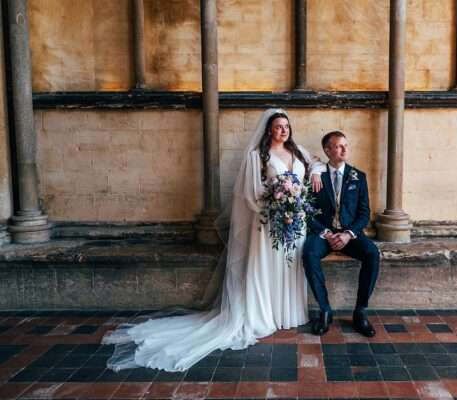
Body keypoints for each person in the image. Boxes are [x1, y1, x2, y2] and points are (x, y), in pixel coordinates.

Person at [102, 109, 324, 372]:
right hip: (268, 223)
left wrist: (316, 173)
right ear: (268, 130)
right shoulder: (258, 156)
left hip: (295, 223)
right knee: (267, 268)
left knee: (289, 268)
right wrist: (277, 205)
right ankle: (266, 315)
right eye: (278, 126)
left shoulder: (298, 151)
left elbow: (318, 162)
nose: (283, 130)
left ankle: (289, 313)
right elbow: (251, 193)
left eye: (286, 126)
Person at [302, 130, 380, 337]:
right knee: (309, 253)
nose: (344, 149)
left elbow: (364, 213)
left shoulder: (358, 176)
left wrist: (348, 234)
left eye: (346, 145)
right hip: (323, 234)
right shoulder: (315, 176)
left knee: (372, 253)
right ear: (327, 150)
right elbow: (308, 211)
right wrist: (326, 232)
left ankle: (360, 311)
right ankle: (325, 310)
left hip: (349, 235)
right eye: (338, 146)